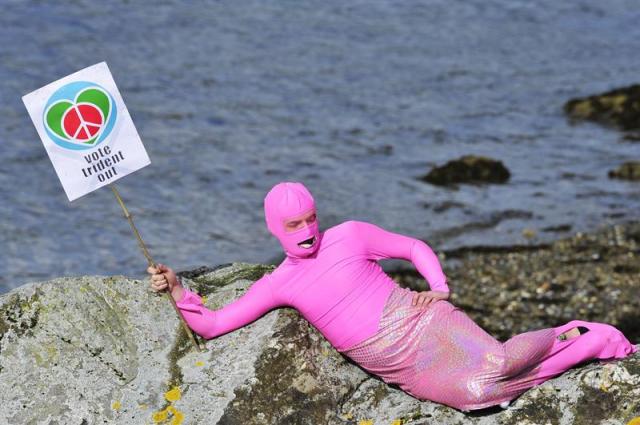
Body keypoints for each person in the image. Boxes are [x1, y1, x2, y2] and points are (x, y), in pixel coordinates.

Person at [147, 181, 637, 411]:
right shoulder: (278, 283)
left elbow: (414, 248)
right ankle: (585, 347)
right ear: (276, 229)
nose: (307, 231)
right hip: (400, 364)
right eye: (294, 225)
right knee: (477, 397)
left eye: (311, 218)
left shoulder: (352, 235)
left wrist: (440, 290)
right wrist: (176, 288)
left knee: (497, 363)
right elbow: (211, 325)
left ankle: (571, 335)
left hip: (423, 320)